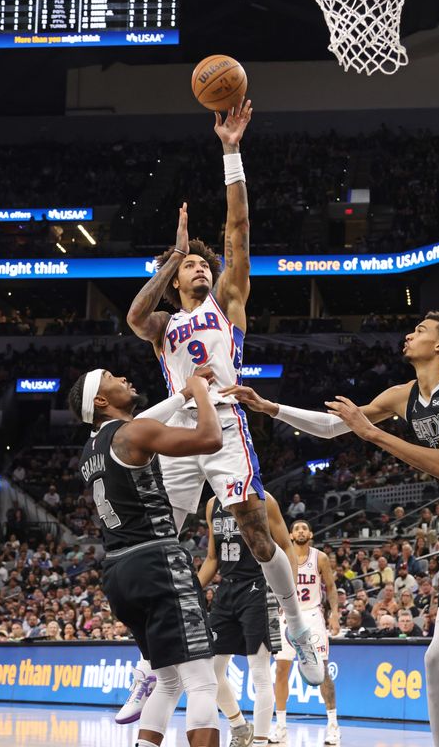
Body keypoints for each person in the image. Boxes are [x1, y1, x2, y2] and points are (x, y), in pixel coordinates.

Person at [224, 311, 439, 747]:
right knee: (437, 658)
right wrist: (271, 408)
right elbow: (334, 427)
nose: (409, 334)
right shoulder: (403, 395)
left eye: (421, 330)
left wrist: (374, 435)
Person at [124, 103, 322, 687]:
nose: (199, 269)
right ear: (175, 277)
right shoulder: (161, 327)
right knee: (159, 540)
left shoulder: (227, 301)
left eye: (201, 264)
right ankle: (148, 663)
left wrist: (231, 150)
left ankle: (296, 624)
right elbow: (137, 315)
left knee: (253, 526)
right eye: (189, 267)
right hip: (179, 432)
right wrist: (173, 251)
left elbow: (238, 231)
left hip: (227, 420)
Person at [69, 368, 223, 747]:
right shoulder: (134, 432)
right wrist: (201, 392)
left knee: (167, 681)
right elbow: (210, 438)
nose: (124, 376)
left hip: (119, 571)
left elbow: (141, 423)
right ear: (100, 401)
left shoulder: (90, 452)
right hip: (157, 561)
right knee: (202, 682)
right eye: (111, 377)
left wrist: (183, 394)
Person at [198, 492, 287, 747]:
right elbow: (213, 558)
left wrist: (286, 595)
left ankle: (259, 742)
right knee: (210, 671)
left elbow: (286, 547)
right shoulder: (212, 504)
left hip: (260, 588)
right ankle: (239, 726)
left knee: (259, 672)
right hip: (226, 590)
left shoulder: (264, 499)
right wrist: (190, 591)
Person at [272, 520, 341, 746]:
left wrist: (334, 615)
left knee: (321, 670)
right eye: (296, 529)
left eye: (304, 528)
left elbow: (330, 587)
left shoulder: (319, 557)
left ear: (310, 533)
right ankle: (280, 727)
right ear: (290, 535)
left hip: (312, 615)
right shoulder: (283, 555)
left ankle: (333, 727)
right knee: (281, 670)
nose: (301, 531)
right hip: (287, 615)